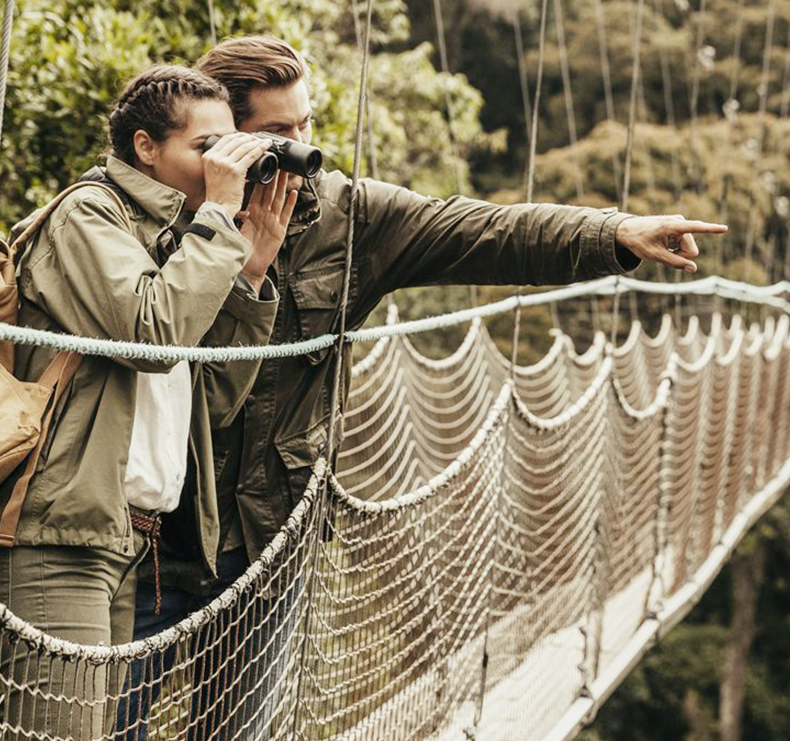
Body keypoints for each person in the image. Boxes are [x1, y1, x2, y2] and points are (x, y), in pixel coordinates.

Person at [130, 36, 725, 735]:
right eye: (275, 134)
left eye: (306, 127)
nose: (299, 150)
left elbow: (485, 230)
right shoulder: (147, 212)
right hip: (154, 540)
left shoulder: (347, 218)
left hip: (268, 534)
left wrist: (618, 233)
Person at [0, 65, 294, 737]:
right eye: (205, 147)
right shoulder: (89, 213)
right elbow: (150, 336)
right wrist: (220, 218)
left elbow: (206, 402)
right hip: (60, 531)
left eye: (232, 145)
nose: (224, 162)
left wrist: (248, 276)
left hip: (130, 538)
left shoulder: (180, 239)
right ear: (144, 147)